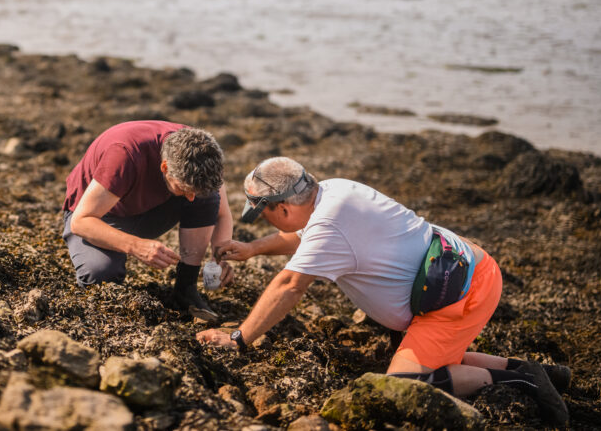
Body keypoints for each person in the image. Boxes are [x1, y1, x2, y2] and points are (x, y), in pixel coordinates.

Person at [196, 157, 570, 425]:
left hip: (458, 296)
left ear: (280, 206)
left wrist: (238, 338)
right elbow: (302, 235)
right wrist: (252, 248)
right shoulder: (333, 191)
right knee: (436, 359)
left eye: (262, 212)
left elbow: (289, 285)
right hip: (462, 267)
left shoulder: (328, 226)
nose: (262, 218)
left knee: (407, 384)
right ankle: (539, 371)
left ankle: (524, 382)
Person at [62, 120, 234, 321]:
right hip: (102, 216)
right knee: (99, 275)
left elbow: (222, 214)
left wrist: (220, 258)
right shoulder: (125, 154)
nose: (190, 199)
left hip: (153, 209)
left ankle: (185, 288)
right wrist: (136, 246)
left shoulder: (204, 153)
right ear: (164, 167)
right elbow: (81, 221)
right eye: (183, 189)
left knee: (207, 197)